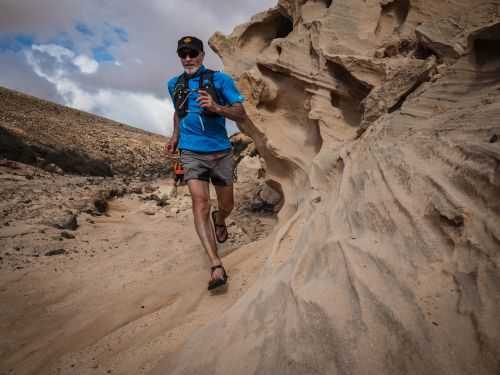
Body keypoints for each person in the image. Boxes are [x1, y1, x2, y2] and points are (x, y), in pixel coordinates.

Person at [165, 36, 246, 291]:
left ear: (201, 55)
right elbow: (179, 111)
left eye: (192, 53)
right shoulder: (173, 84)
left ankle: (220, 220)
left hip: (220, 152)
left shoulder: (220, 80)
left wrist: (216, 107)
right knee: (199, 202)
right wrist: (175, 137)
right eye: (183, 54)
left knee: (227, 205)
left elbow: (240, 112)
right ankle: (215, 265)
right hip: (191, 153)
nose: (187, 58)